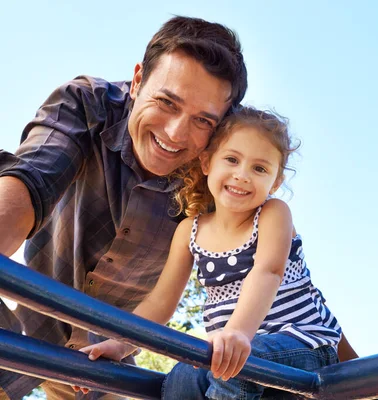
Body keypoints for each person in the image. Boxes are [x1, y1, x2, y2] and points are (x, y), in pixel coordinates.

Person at [0, 15, 247, 400]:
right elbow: (33, 178)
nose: (175, 134)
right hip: (27, 322)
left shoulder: (218, 174)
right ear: (137, 81)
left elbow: (272, 263)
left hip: (105, 356)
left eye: (202, 120)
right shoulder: (87, 104)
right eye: (167, 102)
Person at [76, 107, 342, 399]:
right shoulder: (190, 230)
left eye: (260, 168)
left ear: (275, 182)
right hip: (230, 348)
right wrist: (122, 343)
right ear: (206, 163)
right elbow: (160, 300)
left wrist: (239, 333)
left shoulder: (273, 213)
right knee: (181, 376)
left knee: (242, 365)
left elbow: (269, 271)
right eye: (231, 159)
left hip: (305, 343)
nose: (242, 175)